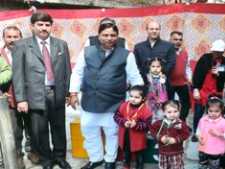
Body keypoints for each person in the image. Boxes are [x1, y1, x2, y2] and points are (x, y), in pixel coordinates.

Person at [69, 23, 143, 169]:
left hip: (114, 102)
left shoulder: (126, 55)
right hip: (90, 100)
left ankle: (110, 160)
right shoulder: (87, 52)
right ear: (98, 36)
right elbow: (77, 73)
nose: (109, 38)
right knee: (89, 131)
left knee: (112, 133)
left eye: (113, 35)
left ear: (117, 37)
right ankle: (95, 158)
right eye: (105, 35)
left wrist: (138, 100)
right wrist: (73, 93)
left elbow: (135, 77)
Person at [12, 12, 72, 169]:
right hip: (34, 95)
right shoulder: (21, 46)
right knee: (39, 131)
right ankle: (46, 160)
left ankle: (60, 157)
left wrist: (68, 93)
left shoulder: (61, 44)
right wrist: (21, 99)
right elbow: (17, 74)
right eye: (40, 25)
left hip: (57, 93)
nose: (44, 28)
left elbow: (67, 70)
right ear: (32, 27)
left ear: (51, 26)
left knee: (59, 127)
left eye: (47, 25)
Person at [1, 25, 39, 169]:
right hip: (9, 100)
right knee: (15, 131)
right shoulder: (0, 55)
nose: (12, 40)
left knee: (32, 128)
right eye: (8, 37)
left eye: (15, 36)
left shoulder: (29, 52)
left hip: (29, 98)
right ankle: (18, 156)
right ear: (3, 38)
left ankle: (32, 151)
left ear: (21, 38)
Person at [192, 39, 225, 142]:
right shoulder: (205, 58)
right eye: (214, 51)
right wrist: (195, 90)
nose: (216, 53)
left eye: (219, 52)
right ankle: (196, 133)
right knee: (198, 113)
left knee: (214, 114)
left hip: (216, 92)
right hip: (202, 90)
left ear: (223, 51)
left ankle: (212, 133)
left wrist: (219, 74)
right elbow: (196, 74)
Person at [133, 21, 176, 98]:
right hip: (144, 85)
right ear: (147, 30)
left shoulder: (169, 46)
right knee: (145, 109)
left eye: (157, 29)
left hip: (163, 85)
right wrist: (146, 76)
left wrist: (157, 76)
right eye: (151, 29)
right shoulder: (139, 47)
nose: (154, 31)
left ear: (159, 30)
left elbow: (171, 64)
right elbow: (136, 64)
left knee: (165, 108)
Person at [113, 85, 152, 169]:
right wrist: (123, 122)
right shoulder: (123, 105)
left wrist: (137, 125)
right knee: (126, 152)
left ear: (143, 99)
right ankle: (126, 165)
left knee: (139, 153)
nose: (133, 99)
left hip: (138, 137)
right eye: (131, 96)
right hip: (125, 136)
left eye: (137, 97)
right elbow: (116, 116)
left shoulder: (146, 110)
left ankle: (139, 165)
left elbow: (147, 124)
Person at [149, 100, 190, 169]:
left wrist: (176, 139)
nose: (172, 114)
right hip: (163, 151)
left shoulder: (181, 123)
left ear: (179, 111)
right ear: (164, 112)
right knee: (163, 167)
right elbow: (153, 130)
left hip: (176, 152)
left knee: (176, 167)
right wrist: (160, 137)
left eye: (175, 111)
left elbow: (185, 134)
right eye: (169, 112)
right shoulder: (159, 123)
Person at [196, 94, 225, 169]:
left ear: (221, 110)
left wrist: (220, 135)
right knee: (202, 165)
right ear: (207, 110)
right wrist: (198, 136)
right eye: (210, 111)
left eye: (216, 111)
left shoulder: (223, 122)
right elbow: (198, 130)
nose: (213, 113)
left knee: (214, 166)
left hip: (215, 150)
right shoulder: (203, 120)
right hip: (203, 148)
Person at [168, 30, 192, 122]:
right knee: (169, 104)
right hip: (170, 84)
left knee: (186, 104)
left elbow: (187, 67)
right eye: (175, 39)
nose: (178, 41)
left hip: (182, 83)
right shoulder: (167, 53)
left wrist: (189, 78)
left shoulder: (185, 53)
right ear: (170, 40)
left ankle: (182, 122)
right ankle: (169, 123)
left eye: (180, 40)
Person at [147, 57, 168, 122]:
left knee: (160, 114)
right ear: (149, 67)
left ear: (161, 67)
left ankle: (160, 129)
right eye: (153, 66)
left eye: (158, 66)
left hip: (161, 99)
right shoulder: (148, 76)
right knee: (151, 114)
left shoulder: (163, 76)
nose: (155, 68)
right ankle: (152, 129)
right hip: (151, 99)